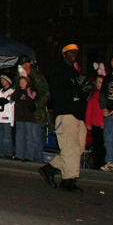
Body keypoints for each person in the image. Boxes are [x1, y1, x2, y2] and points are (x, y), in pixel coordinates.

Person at [40, 44, 87, 192]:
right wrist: (76, 92)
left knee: (78, 148)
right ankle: (68, 180)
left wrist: (84, 91)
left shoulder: (73, 72)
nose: (74, 54)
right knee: (70, 148)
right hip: (66, 113)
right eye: (70, 52)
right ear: (64, 54)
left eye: (76, 52)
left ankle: (50, 168)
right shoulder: (59, 69)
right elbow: (60, 92)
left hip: (78, 114)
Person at [16, 55, 50, 163]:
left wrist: (36, 104)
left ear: (28, 64)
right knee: (23, 136)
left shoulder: (37, 77)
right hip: (24, 113)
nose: (22, 67)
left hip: (36, 113)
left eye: (23, 65)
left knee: (35, 137)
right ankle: (23, 156)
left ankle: (37, 160)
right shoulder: (20, 76)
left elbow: (46, 93)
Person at [0, 74, 15, 158]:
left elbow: (6, 100)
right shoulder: (0, 91)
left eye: (4, 80)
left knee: (7, 137)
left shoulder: (12, 91)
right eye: (1, 80)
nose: (2, 82)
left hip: (7, 116)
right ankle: (0, 152)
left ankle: (8, 153)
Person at [85, 75, 106, 169]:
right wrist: (88, 122)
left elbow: (105, 109)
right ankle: (96, 163)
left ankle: (101, 162)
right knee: (95, 144)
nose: (99, 84)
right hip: (94, 123)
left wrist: (103, 121)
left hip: (101, 124)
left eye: (101, 82)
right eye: (97, 82)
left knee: (101, 145)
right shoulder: (93, 94)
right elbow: (89, 109)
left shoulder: (105, 94)